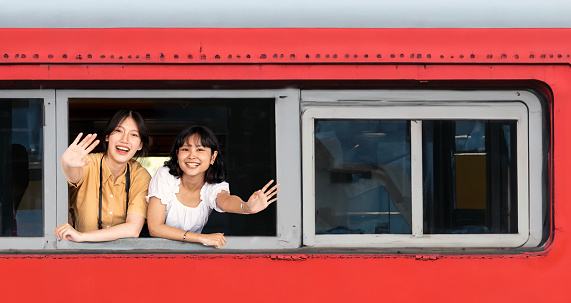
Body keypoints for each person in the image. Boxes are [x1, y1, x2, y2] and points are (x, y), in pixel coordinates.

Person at [146, 125, 279, 248]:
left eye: (200, 150)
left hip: (186, 253)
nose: (192, 155)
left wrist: (246, 207)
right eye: (185, 149)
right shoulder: (165, 175)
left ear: (213, 157)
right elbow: (154, 228)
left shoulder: (214, 186)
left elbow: (225, 200)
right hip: (151, 251)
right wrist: (202, 238)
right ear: (177, 154)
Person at [54, 109, 151, 242]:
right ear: (107, 136)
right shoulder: (88, 163)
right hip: (81, 254)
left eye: (133, 134)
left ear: (140, 145)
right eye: (119, 131)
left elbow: (133, 229)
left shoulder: (140, 175)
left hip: (123, 255)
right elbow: (73, 176)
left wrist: (81, 236)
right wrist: (66, 165)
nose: (125, 139)